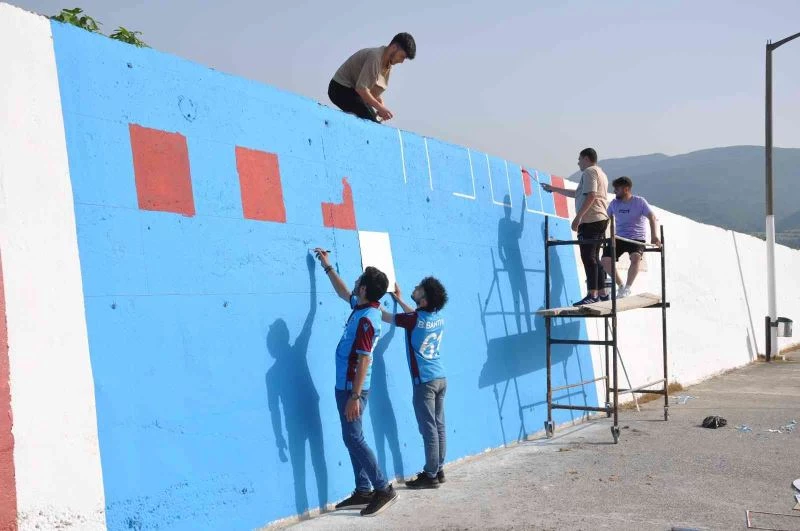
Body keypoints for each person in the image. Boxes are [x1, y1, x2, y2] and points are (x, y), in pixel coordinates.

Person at [313, 248, 397, 517]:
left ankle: (383, 488)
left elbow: (364, 360)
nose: (357, 282)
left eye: (360, 280)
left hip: (353, 388)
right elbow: (342, 292)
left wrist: (355, 397)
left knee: (354, 437)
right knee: (351, 438)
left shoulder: (367, 321)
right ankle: (363, 490)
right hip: (345, 386)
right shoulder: (363, 306)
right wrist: (327, 266)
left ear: (363, 289)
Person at [381, 278, 448, 489]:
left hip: (424, 383)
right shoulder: (437, 318)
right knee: (439, 426)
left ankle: (430, 475)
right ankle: (438, 469)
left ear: (425, 300)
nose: (415, 289)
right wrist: (399, 299)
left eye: (419, 289)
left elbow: (386, 317)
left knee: (428, 429)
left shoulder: (413, 319)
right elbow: (415, 316)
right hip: (440, 378)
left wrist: (370, 302)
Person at [541, 148, 610, 306]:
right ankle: (602, 293)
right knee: (594, 257)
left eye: (579, 159)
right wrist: (554, 189)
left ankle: (592, 294)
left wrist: (578, 218)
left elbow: (591, 195)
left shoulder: (589, 172)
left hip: (590, 220)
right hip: (600, 220)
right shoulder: (600, 173)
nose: (578, 162)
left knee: (588, 257)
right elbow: (579, 194)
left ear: (586, 158)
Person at [328, 33, 416, 123]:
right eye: (402, 56)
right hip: (339, 89)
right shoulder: (375, 57)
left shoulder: (387, 65)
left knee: (374, 120)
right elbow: (362, 89)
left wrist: (381, 106)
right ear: (393, 48)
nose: (401, 61)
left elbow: (371, 91)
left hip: (354, 92)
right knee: (372, 121)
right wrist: (380, 108)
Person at [601, 176, 661, 298]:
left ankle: (628, 287)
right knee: (605, 260)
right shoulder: (614, 204)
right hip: (620, 238)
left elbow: (652, 217)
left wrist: (654, 236)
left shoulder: (640, 202)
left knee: (635, 258)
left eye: (617, 189)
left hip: (637, 238)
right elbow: (604, 219)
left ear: (626, 189)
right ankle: (621, 287)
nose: (614, 192)